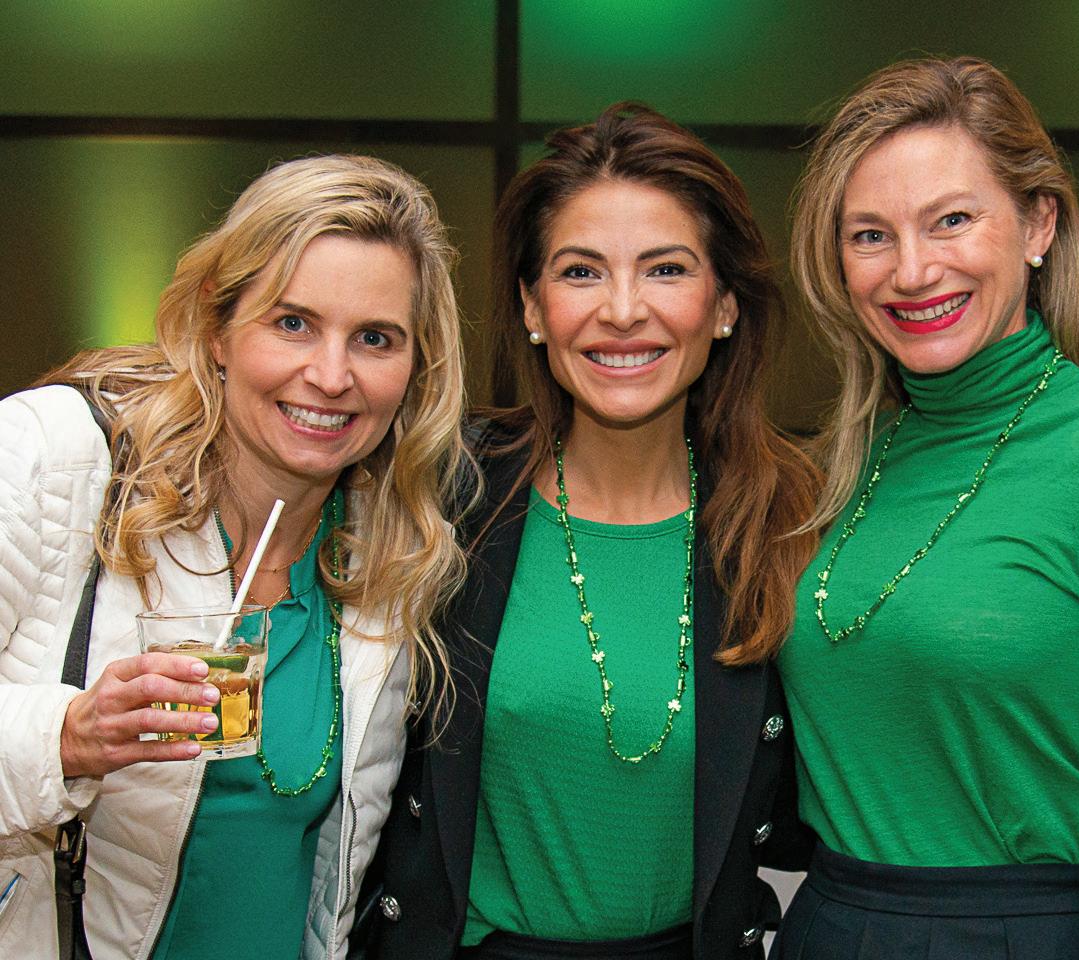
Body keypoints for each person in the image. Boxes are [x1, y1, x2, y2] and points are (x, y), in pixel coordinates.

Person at [773, 57, 1079, 960]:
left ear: (1038, 223)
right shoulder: (830, 469)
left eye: (952, 220)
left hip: (1028, 935)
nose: (912, 270)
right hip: (832, 924)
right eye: (870, 235)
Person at [360, 104, 821, 960]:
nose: (622, 310)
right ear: (532, 306)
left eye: (666, 269)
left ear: (724, 304)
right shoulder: (440, 496)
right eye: (580, 272)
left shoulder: (791, 523)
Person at [0, 154, 471, 959]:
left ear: (414, 368)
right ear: (217, 329)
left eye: (374, 339)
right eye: (292, 323)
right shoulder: (55, 459)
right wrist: (66, 737)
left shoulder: (388, 563)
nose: (331, 375)